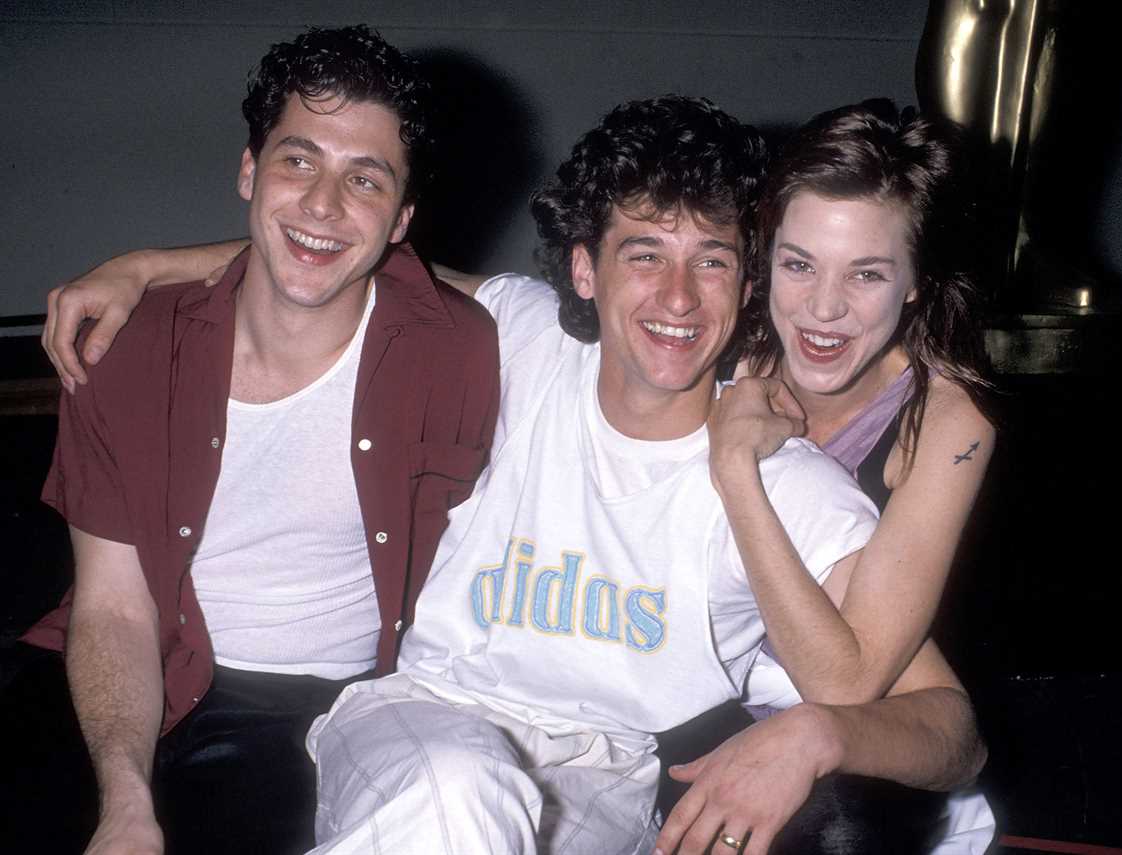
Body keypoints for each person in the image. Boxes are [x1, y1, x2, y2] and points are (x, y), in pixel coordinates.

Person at [39, 95, 988, 854]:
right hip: (421, 723)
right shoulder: (528, 341)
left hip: (603, 783)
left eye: (711, 261)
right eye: (643, 254)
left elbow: (952, 731)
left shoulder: (787, 480)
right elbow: (345, 257)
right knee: (460, 789)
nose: (675, 296)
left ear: (745, 288)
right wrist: (147, 266)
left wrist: (816, 735)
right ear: (583, 270)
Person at [3, 25, 499, 855]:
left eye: (364, 179)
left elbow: (623, 328)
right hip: (125, 653)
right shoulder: (125, 346)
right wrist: (125, 802)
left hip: (308, 710)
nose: (323, 203)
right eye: (298, 161)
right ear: (249, 170)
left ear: (402, 219)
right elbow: (115, 605)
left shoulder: (464, 352)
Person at [654, 99, 998, 854]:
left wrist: (736, 470)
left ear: (916, 281)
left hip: (862, 740)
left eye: (866, 274)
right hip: (689, 694)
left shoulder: (947, 420)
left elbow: (845, 683)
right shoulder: (721, 340)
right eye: (798, 264)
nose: (823, 309)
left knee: (834, 825)